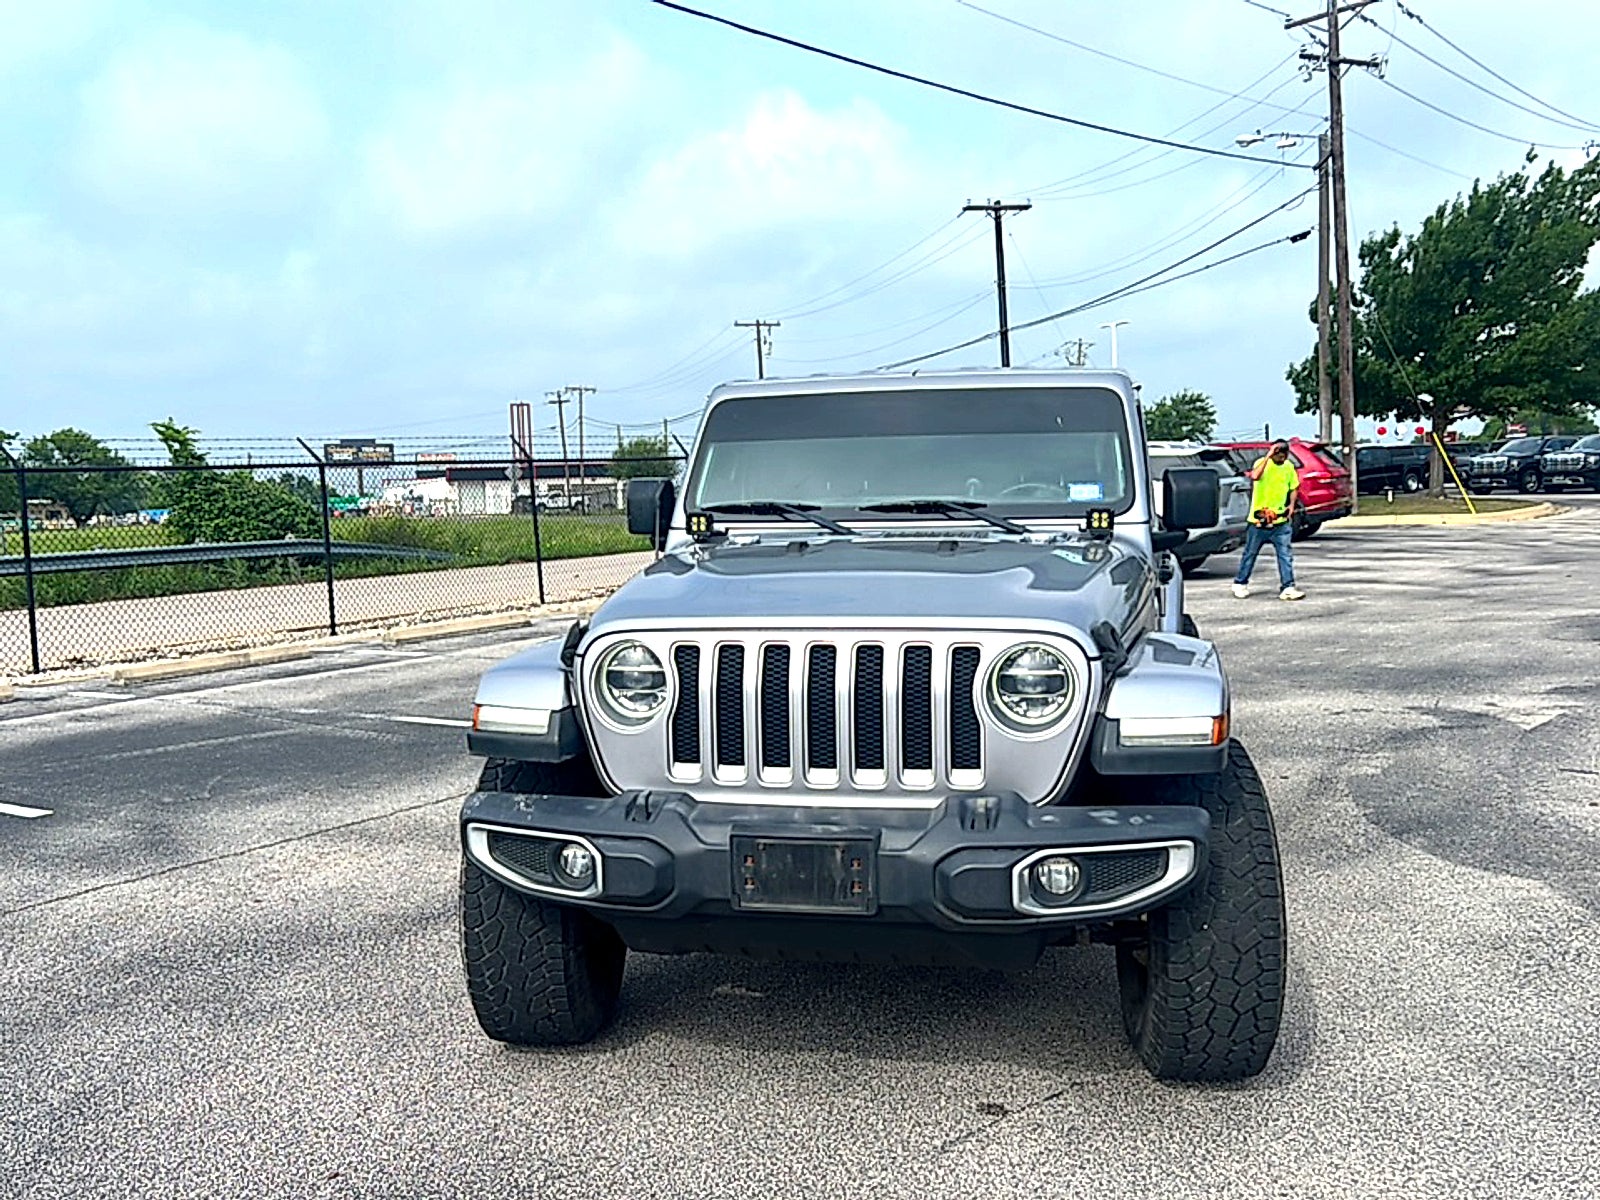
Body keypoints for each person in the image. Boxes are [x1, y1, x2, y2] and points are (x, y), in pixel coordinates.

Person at [1232, 440, 1306, 601]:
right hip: (1259, 520)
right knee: (1250, 553)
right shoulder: (1262, 463)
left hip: (1280, 521)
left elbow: (1293, 487)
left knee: (1285, 554)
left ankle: (1288, 587)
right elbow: (1255, 476)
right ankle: (1240, 582)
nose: (1281, 459)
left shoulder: (1288, 467)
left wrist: (1291, 505)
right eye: (1278, 455)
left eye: (1283, 456)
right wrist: (1268, 456)